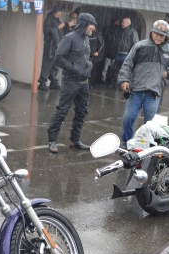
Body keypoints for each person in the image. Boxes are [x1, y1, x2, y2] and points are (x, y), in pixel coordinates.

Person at [117, 20, 169, 145]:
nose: (158, 37)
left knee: (150, 124)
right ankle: (127, 144)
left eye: (162, 35)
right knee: (128, 118)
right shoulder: (139, 46)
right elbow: (127, 63)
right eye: (156, 33)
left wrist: (168, 73)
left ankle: (145, 147)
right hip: (135, 90)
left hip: (153, 93)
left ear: (166, 36)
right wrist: (124, 79)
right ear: (151, 32)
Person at [46, 13, 98, 153]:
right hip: (71, 81)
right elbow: (58, 58)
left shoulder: (86, 39)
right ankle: (52, 140)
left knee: (82, 111)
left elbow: (84, 57)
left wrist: (89, 65)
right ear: (84, 24)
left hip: (84, 82)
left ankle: (74, 140)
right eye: (92, 25)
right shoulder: (70, 38)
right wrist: (75, 69)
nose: (94, 28)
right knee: (62, 111)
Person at [38, 6, 65, 91]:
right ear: (56, 11)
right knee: (47, 63)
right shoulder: (49, 18)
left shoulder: (56, 19)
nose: (61, 13)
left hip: (56, 46)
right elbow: (46, 30)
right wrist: (58, 27)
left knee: (55, 63)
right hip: (50, 45)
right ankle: (42, 82)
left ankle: (54, 82)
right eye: (60, 11)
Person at [104, 18, 138, 86]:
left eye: (123, 22)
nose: (121, 23)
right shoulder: (120, 31)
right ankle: (114, 83)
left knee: (125, 70)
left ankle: (123, 84)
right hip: (118, 53)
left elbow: (135, 44)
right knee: (115, 69)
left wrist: (132, 54)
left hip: (126, 54)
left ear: (128, 23)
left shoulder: (132, 32)